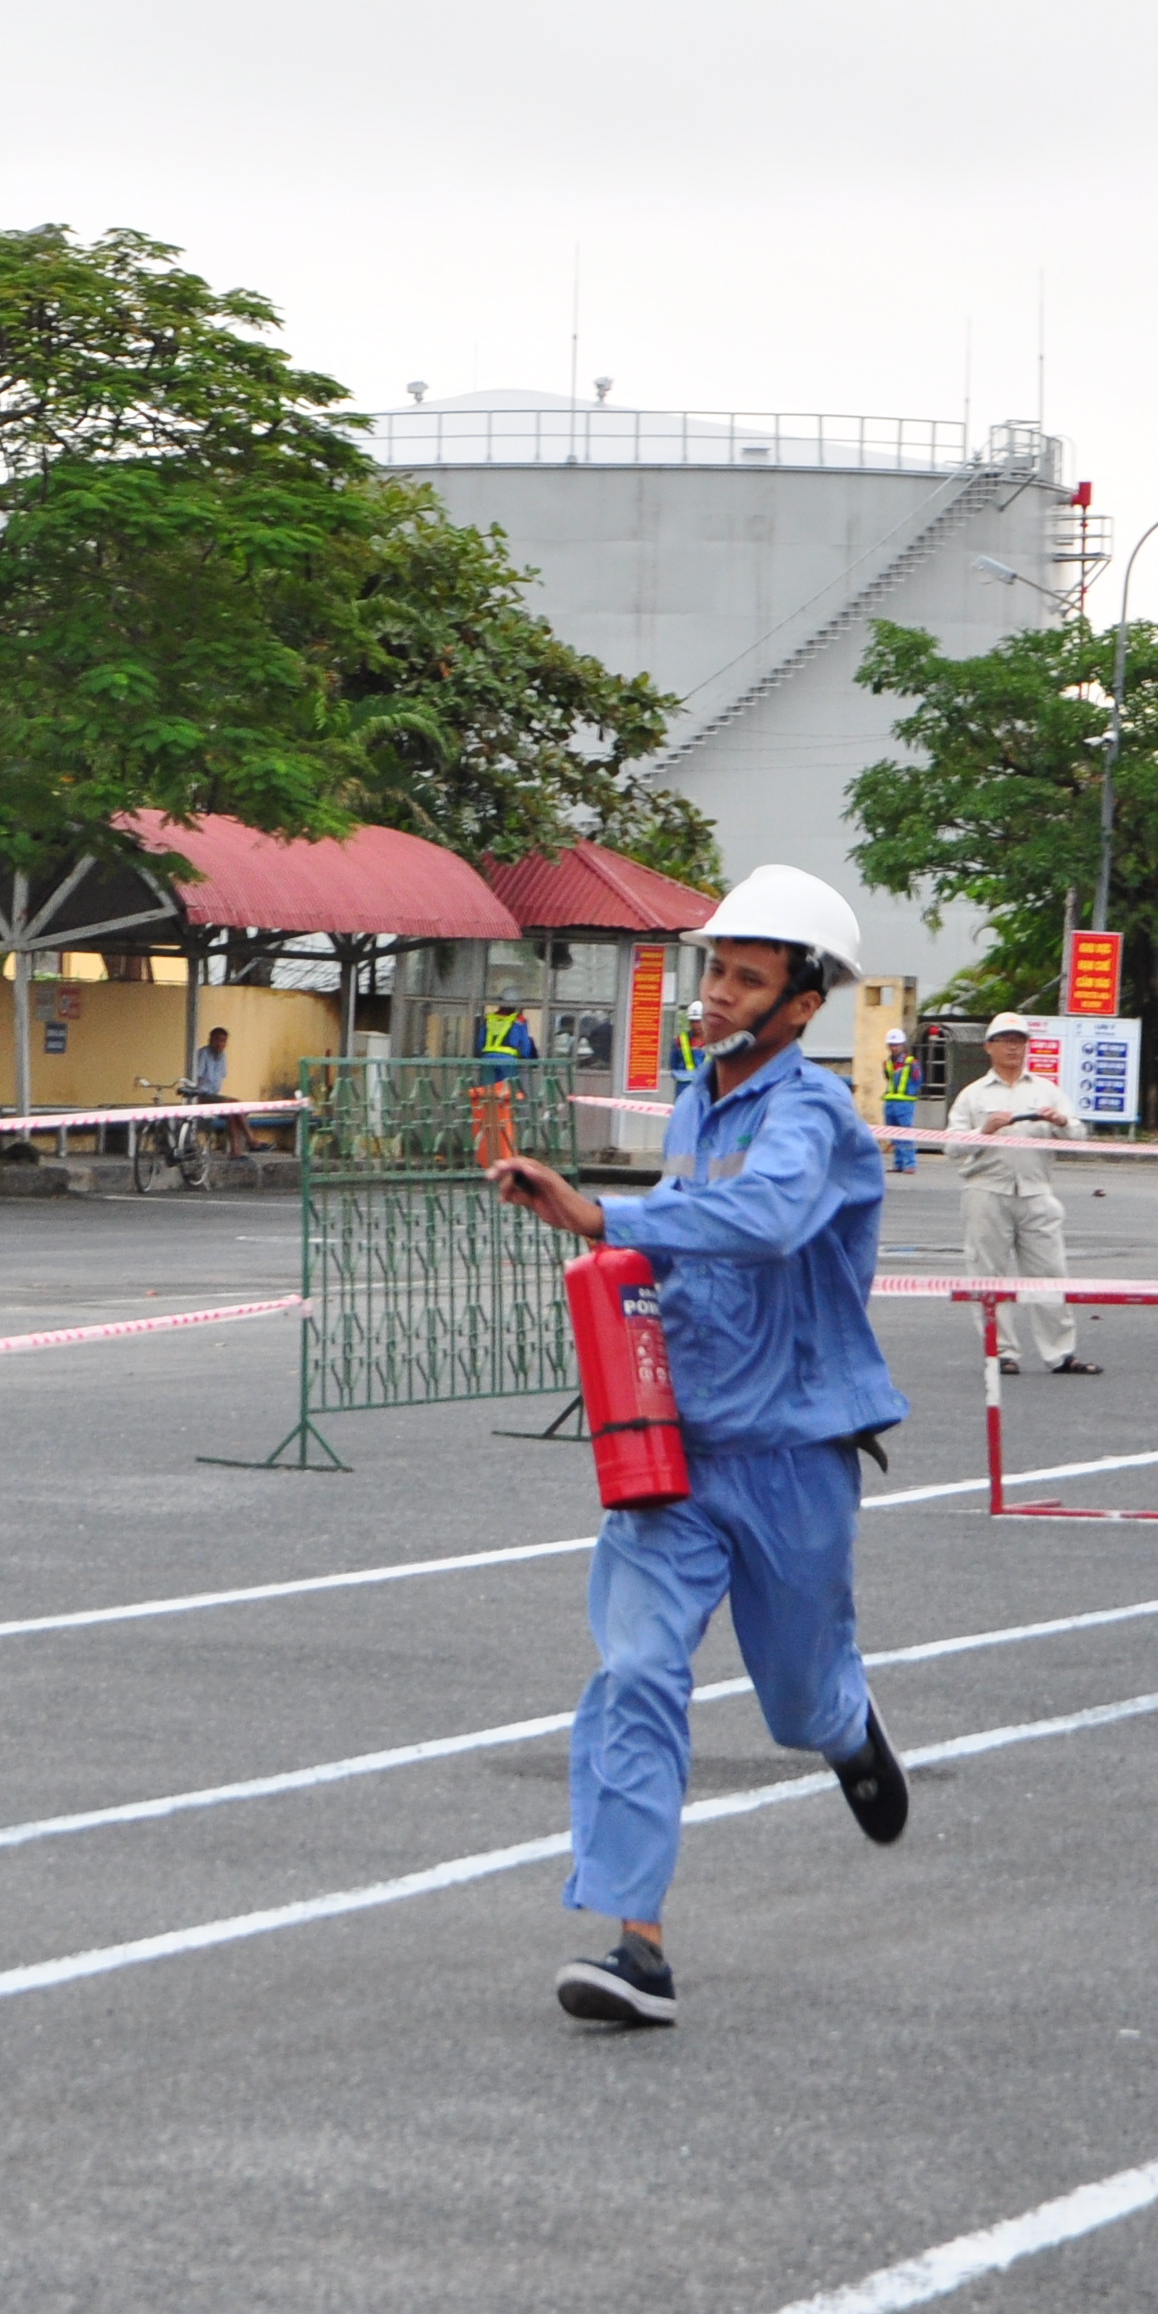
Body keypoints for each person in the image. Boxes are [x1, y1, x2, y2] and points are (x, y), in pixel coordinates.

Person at [483, 864, 912, 2032]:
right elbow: (679, 1248)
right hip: (675, 1456)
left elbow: (767, 1222)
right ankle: (635, 1944)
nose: (716, 993)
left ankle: (843, 1722)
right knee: (634, 1672)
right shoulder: (691, 1101)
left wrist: (607, 1214)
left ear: (801, 1003)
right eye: (713, 970)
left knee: (794, 1701)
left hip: (795, 1452)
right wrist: (609, 1266)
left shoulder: (812, 1116)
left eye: (745, 978)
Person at [946, 1009, 1097, 1376]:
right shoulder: (973, 1094)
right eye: (1006, 1041)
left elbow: (1078, 1134)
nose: (1014, 1048)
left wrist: (1061, 1122)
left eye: (1020, 1041)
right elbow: (951, 1146)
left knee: (1049, 1272)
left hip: (1036, 1190)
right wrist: (984, 1130)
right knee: (988, 1273)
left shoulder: (1046, 1089)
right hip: (986, 1189)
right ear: (989, 1047)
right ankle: (1001, 1352)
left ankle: (1060, 1353)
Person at [191, 1024, 254, 1156]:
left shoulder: (222, 1057)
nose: (220, 1044)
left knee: (233, 1112)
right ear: (210, 1040)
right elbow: (198, 1079)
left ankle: (235, 1151)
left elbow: (220, 1078)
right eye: (217, 1040)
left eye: (223, 1041)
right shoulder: (203, 1054)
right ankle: (251, 1139)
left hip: (214, 1096)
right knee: (234, 1103)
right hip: (200, 1096)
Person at [877, 1026, 922, 1173]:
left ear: (903, 1045)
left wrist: (911, 1093)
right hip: (890, 1102)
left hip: (904, 1103)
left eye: (896, 1045)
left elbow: (917, 1080)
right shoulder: (888, 1063)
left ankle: (910, 1163)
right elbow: (889, 1079)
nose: (894, 1048)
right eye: (891, 1045)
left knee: (905, 1134)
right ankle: (898, 1163)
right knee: (894, 1135)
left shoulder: (911, 1062)